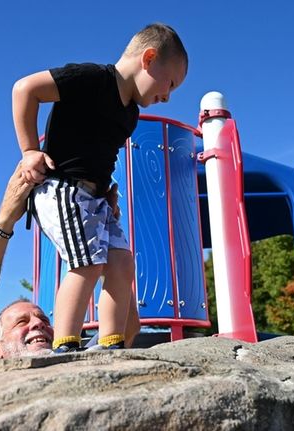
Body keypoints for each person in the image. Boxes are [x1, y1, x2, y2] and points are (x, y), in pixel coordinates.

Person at [12, 23, 188, 352]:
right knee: (87, 262)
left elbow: (102, 154)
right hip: (62, 187)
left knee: (122, 263)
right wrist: (29, 152)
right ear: (148, 59)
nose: (167, 96)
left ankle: (110, 343)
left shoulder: (130, 113)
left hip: (94, 197)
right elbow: (25, 89)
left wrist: (107, 189)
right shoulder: (91, 79)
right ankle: (65, 344)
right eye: (171, 84)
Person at [0, 163, 140, 372]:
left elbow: (129, 326)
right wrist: (4, 220)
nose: (39, 324)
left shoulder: (78, 359)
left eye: (45, 319)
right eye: (21, 322)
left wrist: (102, 236)